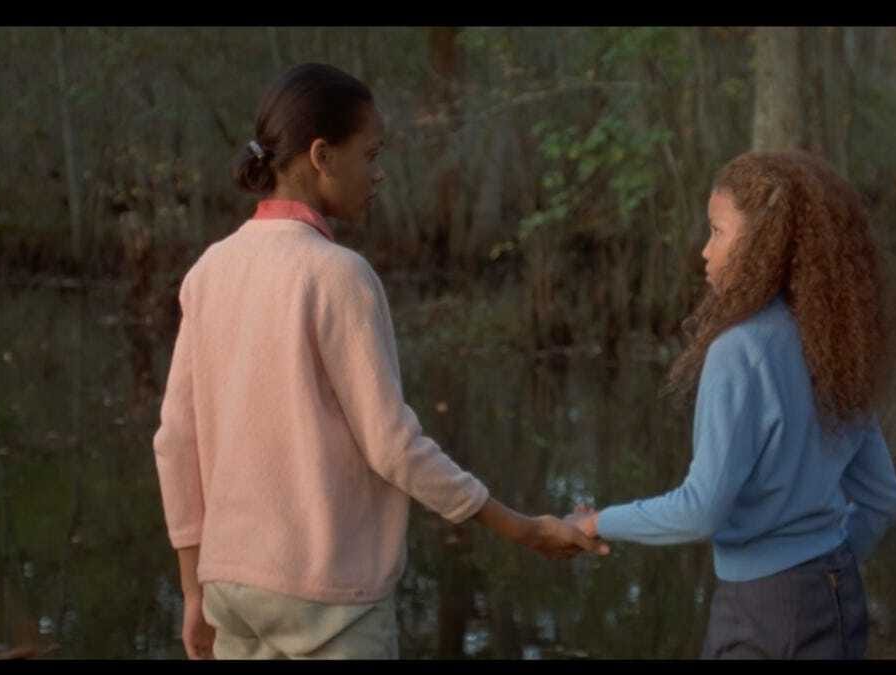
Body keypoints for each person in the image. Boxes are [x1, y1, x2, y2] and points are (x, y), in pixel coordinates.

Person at [152, 63, 606, 661]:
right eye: (370, 155)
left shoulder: (210, 268)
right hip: (327, 597)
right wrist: (522, 527)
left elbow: (175, 441)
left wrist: (192, 590)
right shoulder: (338, 274)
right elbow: (393, 446)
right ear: (322, 156)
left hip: (230, 589)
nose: (379, 172)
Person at [566, 150, 896, 659]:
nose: (705, 251)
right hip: (837, 594)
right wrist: (821, 565)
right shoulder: (837, 346)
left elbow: (700, 511)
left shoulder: (740, 350)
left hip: (763, 613)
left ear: (764, 244)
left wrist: (594, 523)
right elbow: (883, 498)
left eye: (718, 231)